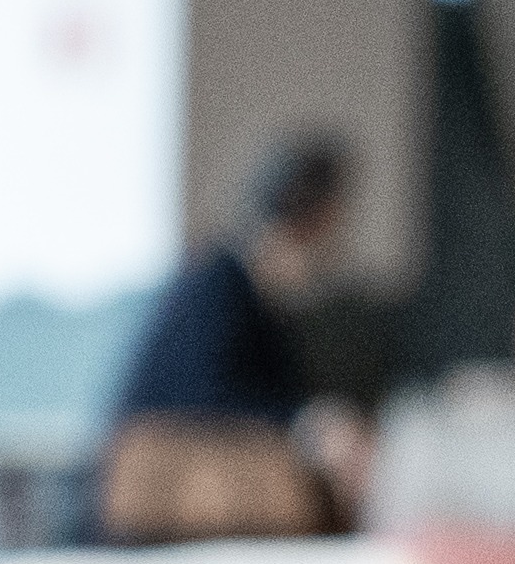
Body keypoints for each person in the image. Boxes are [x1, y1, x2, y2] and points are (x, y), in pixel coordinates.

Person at [94, 129, 363, 540]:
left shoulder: (271, 310)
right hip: (163, 491)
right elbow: (204, 394)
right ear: (301, 221)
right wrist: (304, 424)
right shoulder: (218, 283)